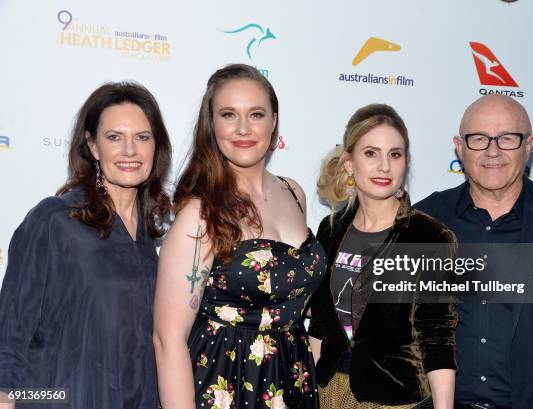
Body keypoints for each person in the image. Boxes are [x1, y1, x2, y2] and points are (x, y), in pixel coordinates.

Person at [414, 94, 533, 409]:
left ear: (528, 145)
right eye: (479, 139)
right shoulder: (424, 219)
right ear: (460, 146)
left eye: (507, 138)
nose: (493, 151)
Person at [153, 64, 325, 408]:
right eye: (229, 114)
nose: (243, 128)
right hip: (223, 382)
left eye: (256, 114)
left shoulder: (294, 193)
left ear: (274, 121)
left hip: (291, 379)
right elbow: (167, 339)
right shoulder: (200, 215)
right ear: (212, 124)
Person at [0, 82, 172, 408]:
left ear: (156, 146)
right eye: (114, 137)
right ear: (93, 146)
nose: (130, 150)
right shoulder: (55, 220)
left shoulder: (153, 235)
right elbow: (10, 336)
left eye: (142, 137)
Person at [309, 103, 457, 409]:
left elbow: (437, 336)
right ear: (349, 163)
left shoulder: (429, 237)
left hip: (393, 400)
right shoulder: (331, 229)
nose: (385, 166)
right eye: (371, 153)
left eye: (395, 154)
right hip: (328, 394)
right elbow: (320, 326)